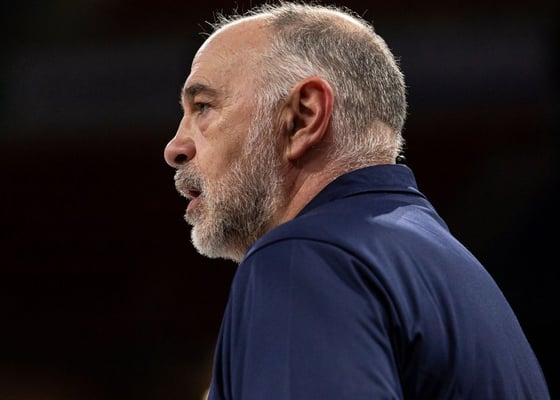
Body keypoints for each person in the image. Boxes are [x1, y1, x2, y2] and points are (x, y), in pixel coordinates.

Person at [163, 2, 550, 399]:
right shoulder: (444, 261)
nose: (174, 148)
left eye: (203, 106)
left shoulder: (306, 256)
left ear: (303, 117)